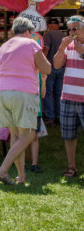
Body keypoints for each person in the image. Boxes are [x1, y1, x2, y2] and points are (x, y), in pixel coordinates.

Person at [0, 17, 51, 185]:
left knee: (16, 135)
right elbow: (46, 68)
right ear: (27, 32)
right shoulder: (31, 44)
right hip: (23, 93)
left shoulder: (3, 46)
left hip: (1, 92)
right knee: (28, 134)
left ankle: (21, 177)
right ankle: (3, 170)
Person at [53, 15, 84, 178]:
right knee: (68, 135)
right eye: (69, 29)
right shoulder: (68, 45)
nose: (71, 32)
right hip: (68, 96)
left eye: (75, 29)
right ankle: (71, 167)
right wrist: (60, 48)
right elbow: (56, 65)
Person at [43, 18, 66, 124]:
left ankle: (49, 117)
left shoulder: (48, 34)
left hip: (50, 67)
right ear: (58, 25)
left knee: (47, 92)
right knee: (59, 93)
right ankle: (60, 116)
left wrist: (41, 62)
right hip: (62, 66)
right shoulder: (63, 35)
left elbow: (46, 49)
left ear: (49, 25)